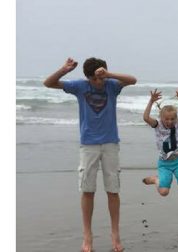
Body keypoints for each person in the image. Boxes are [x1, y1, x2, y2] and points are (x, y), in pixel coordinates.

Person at [43, 57, 137, 252]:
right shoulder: (80, 86)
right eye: (95, 79)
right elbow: (48, 83)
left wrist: (108, 74)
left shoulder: (112, 85)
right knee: (87, 190)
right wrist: (64, 69)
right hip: (88, 144)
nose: (99, 83)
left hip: (110, 143)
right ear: (88, 78)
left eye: (101, 78)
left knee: (113, 190)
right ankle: (87, 236)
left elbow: (132, 79)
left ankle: (115, 234)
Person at [142, 87, 178, 196]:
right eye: (166, 119)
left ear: (175, 118)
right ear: (161, 118)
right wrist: (151, 101)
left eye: (172, 119)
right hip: (164, 164)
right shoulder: (157, 125)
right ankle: (156, 180)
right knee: (164, 192)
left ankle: (168, 179)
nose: (169, 121)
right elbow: (146, 117)